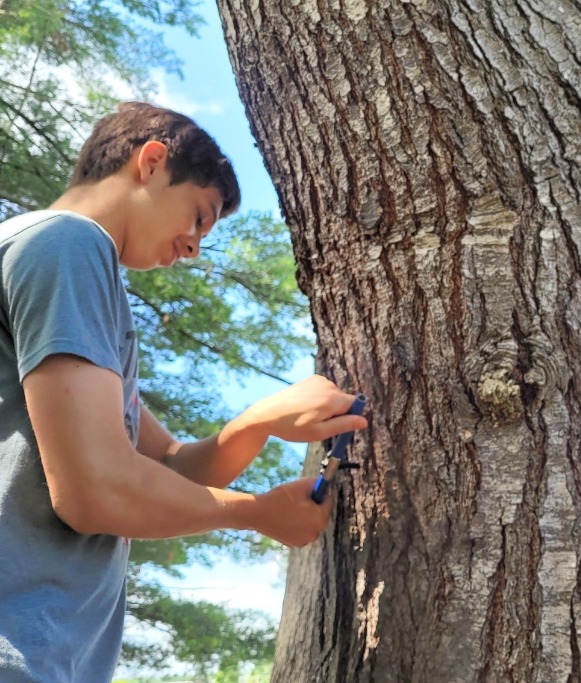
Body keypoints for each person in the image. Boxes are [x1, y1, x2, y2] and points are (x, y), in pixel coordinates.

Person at [0, 102, 368, 682]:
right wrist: (257, 515)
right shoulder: (66, 244)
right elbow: (95, 489)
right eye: (199, 216)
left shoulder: (56, 262)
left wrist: (258, 423)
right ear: (150, 162)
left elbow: (169, 465)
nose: (194, 246)